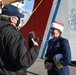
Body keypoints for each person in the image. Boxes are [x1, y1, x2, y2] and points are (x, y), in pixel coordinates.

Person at [0, 4, 40, 75]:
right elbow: (24, 61)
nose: (19, 21)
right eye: (18, 18)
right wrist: (35, 48)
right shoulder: (13, 35)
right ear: (12, 19)